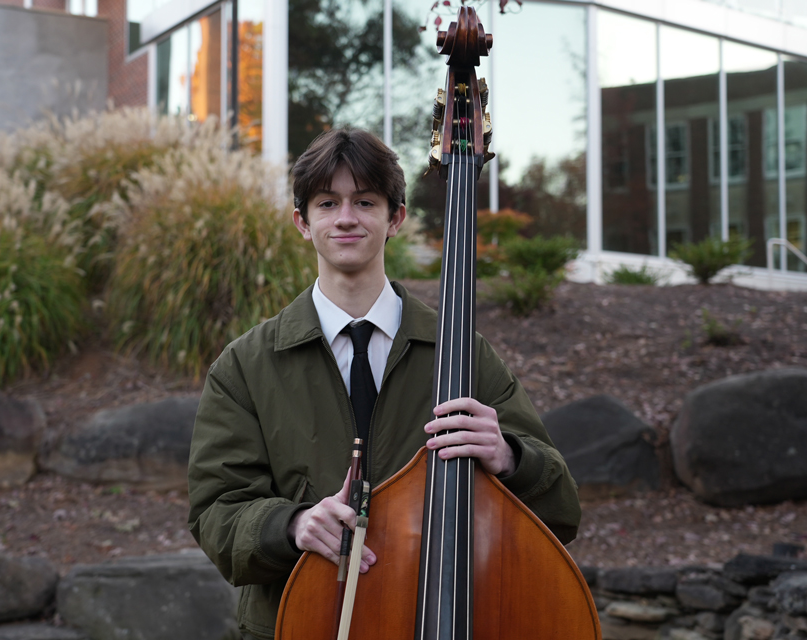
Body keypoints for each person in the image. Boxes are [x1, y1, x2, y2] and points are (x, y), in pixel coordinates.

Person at [187, 126, 581, 640]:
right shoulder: (245, 367)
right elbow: (216, 512)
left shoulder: (462, 355)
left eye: (365, 201)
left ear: (395, 218)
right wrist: (290, 524)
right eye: (327, 203)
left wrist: (512, 458)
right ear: (302, 222)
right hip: (304, 623)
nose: (346, 218)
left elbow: (563, 513)